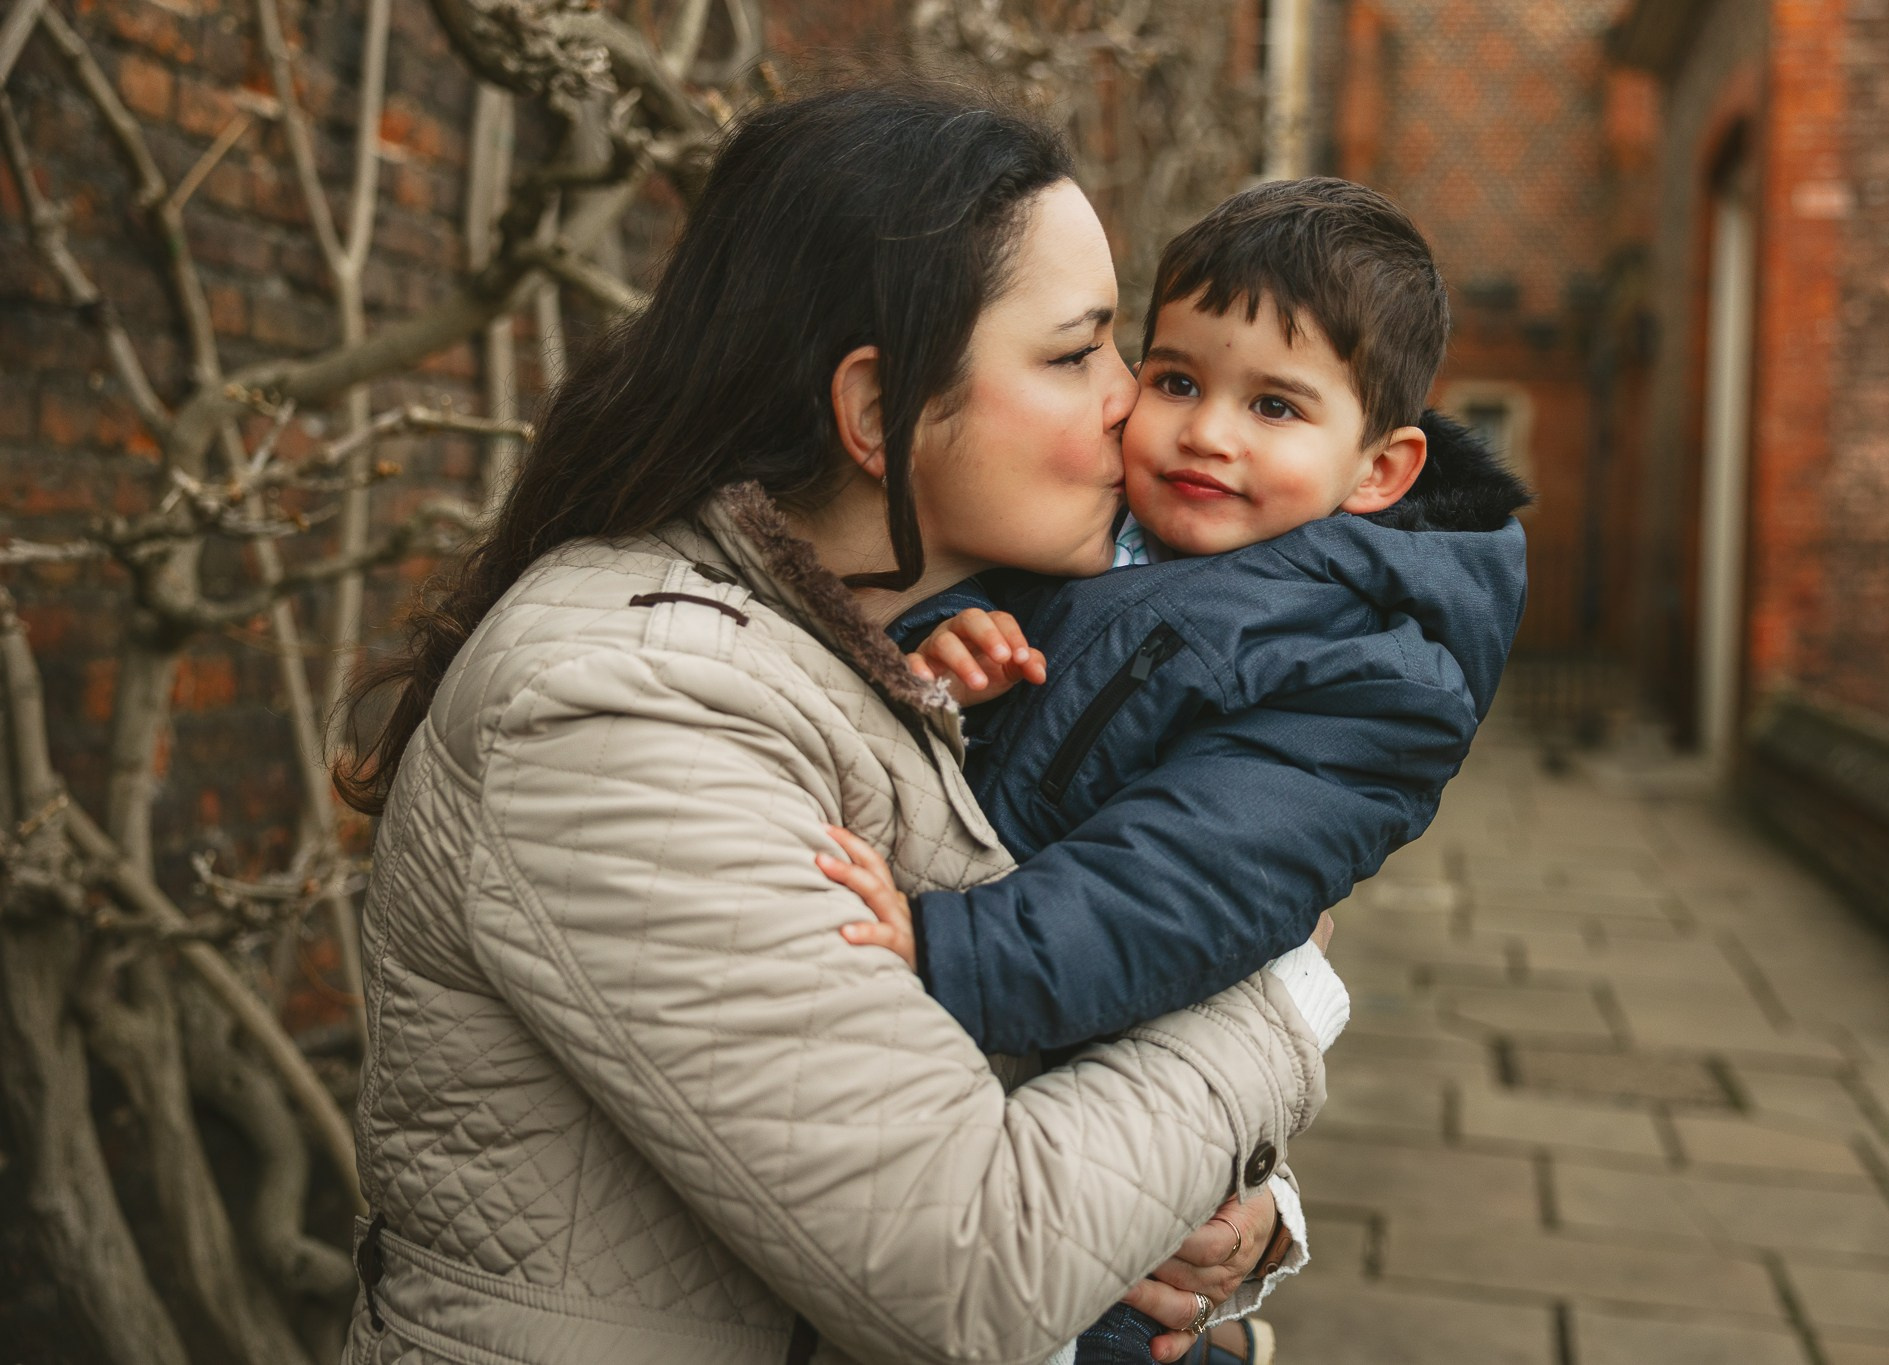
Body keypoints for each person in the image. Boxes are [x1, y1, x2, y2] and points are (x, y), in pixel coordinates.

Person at [332, 85, 1338, 1365]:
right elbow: (970, 1263)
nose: (1132, 402)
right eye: (1075, 352)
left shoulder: (908, 655)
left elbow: (1007, 1080)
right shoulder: (619, 706)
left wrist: (1237, 1221)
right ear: (875, 414)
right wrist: (1278, 1000)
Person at [822, 180, 1531, 1362]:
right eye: (1178, 381)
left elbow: (1178, 887)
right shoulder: (1094, 535)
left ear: (1379, 470)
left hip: (1080, 1123)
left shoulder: (1369, 677)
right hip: (994, 1089)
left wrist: (948, 950)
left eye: (1274, 405)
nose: (1207, 432)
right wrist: (939, 653)